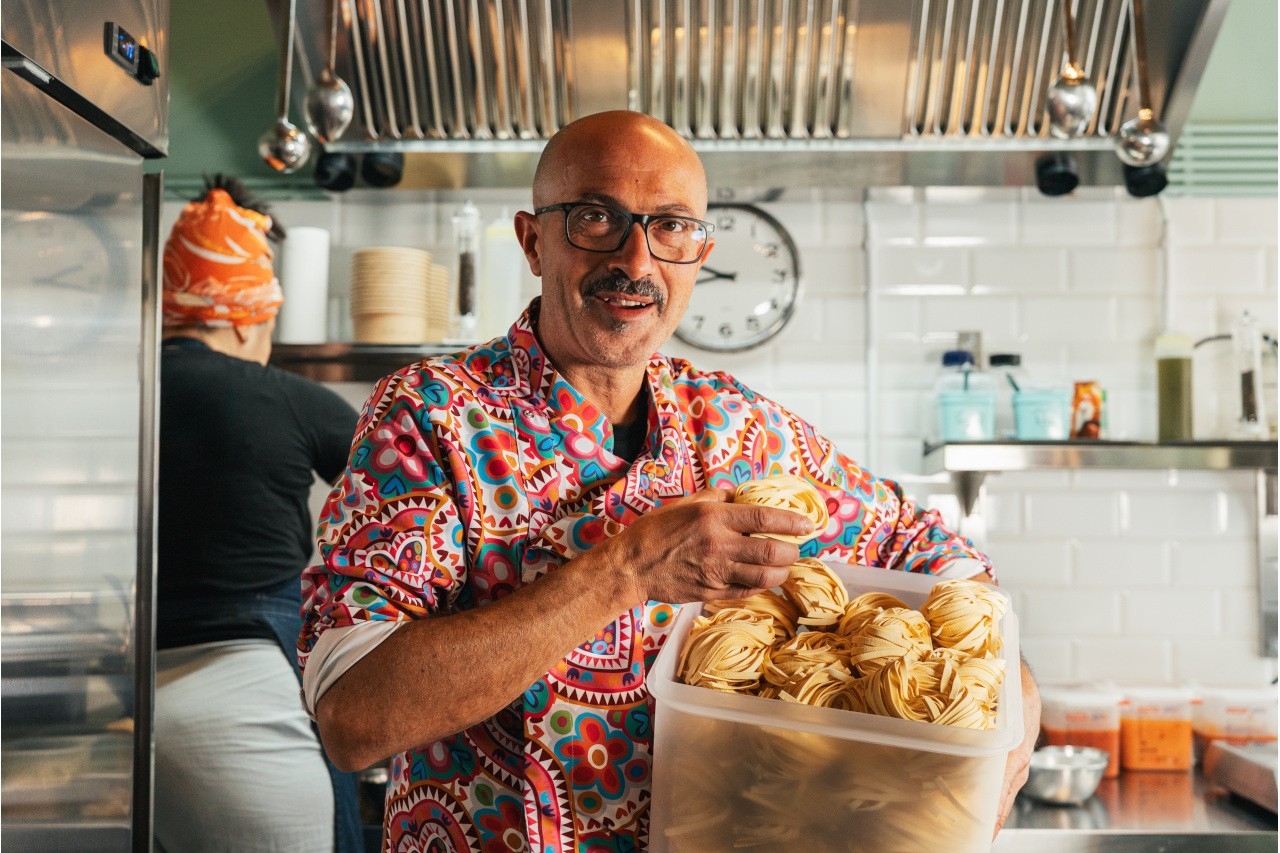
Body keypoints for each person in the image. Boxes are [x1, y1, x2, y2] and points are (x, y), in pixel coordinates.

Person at [300, 111, 1041, 851]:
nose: (637, 259)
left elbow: (927, 548)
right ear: (532, 240)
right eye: (597, 217)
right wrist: (628, 568)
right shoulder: (431, 417)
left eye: (672, 227)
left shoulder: (738, 429)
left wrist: (1020, 693)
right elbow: (351, 715)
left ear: (700, 253)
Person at [154, 176, 365, 853]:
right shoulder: (289, 399)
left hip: (110, 696)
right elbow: (408, 505)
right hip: (245, 697)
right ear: (248, 315)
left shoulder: (114, 388)